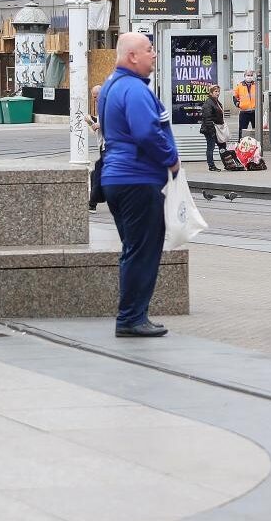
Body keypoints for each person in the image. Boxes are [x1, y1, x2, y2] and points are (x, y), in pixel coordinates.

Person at [97, 32, 180, 338]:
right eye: (149, 49)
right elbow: (147, 133)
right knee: (143, 252)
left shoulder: (110, 86)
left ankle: (132, 316)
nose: (154, 54)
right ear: (132, 56)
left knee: (133, 250)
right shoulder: (134, 89)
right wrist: (171, 158)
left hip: (117, 177)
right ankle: (132, 318)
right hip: (138, 179)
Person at [198, 84, 225, 172]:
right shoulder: (208, 103)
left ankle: (227, 163)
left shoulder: (216, 101)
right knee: (211, 147)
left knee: (222, 145)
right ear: (211, 93)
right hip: (210, 129)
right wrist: (212, 131)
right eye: (215, 91)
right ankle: (211, 165)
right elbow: (207, 118)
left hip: (216, 128)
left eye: (218, 91)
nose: (218, 93)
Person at [234, 71, 258, 137]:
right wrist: (238, 104)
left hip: (255, 112)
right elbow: (235, 97)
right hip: (244, 112)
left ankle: (256, 142)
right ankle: (241, 141)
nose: (249, 77)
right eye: (248, 75)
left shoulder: (256, 85)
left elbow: (261, 96)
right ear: (244, 76)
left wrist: (259, 105)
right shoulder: (240, 86)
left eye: (251, 75)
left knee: (256, 130)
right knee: (242, 130)